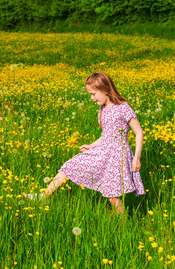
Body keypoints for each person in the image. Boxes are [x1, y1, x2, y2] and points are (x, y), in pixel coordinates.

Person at [23, 72, 145, 214]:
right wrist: (92, 145)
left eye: (93, 94)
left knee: (113, 197)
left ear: (105, 89)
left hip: (117, 156)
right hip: (103, 152)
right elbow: (107, 135)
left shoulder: (123, 108)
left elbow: (139, 132)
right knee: (69, 166)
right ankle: (43, 196)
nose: (92, 98)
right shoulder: (103, 108)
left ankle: (125, 229)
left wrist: (136, 158)